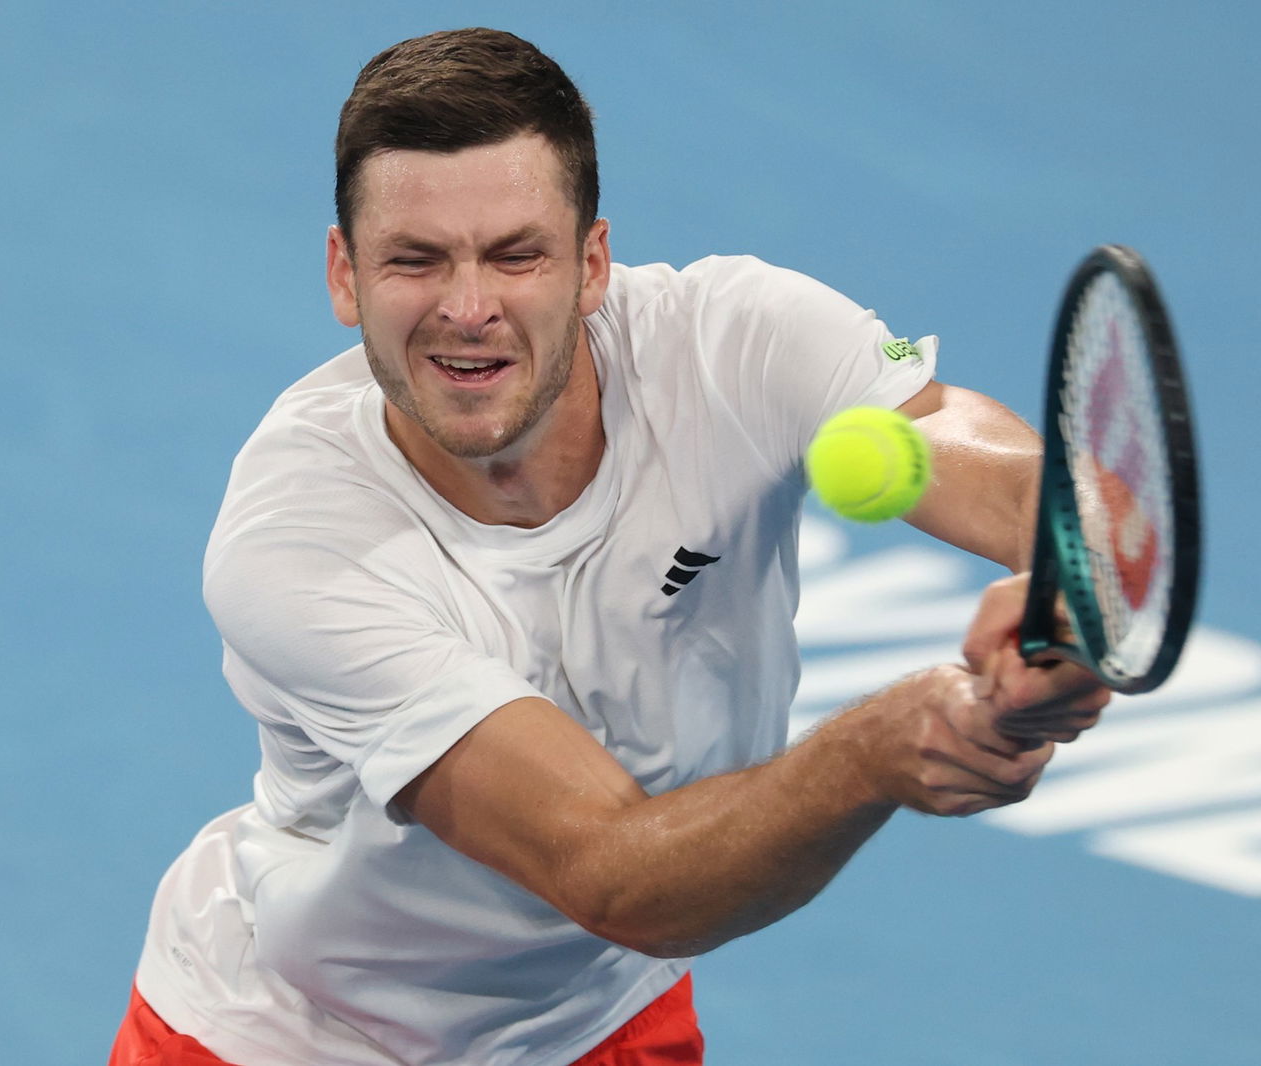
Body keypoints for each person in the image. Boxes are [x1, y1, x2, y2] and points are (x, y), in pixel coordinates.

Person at [110, 26, 1110, 1066]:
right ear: (344, 275)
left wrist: (1062, 572)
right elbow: (610, 874)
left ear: (591, 263)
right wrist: (875, 750)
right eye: (415, 260)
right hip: (290, 1041)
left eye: (515, 254)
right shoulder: (298, 546)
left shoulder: (737, 339)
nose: (467, 309)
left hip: (598, 1023)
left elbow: (958, 441)